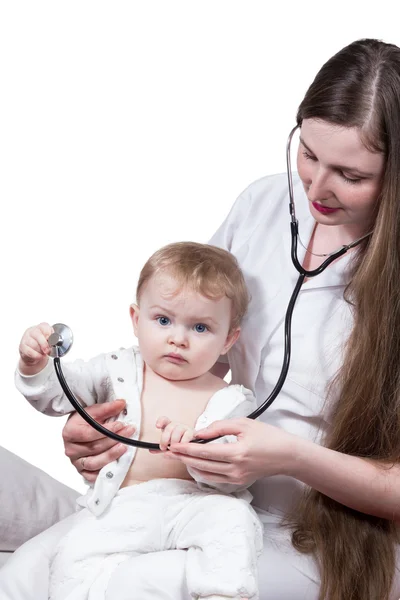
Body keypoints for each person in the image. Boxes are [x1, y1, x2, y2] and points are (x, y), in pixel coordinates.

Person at [2, 36, 400, 600]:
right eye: (308, 153)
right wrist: (100, 430)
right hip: (187, 496)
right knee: (26, 575)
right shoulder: (263, 204)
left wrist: (289, 457)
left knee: (116, 584)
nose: (315, 187)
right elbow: (183, 337)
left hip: (326, 538)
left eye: (351, 176)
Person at [11, 242, 263, 600]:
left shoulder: (232, 399)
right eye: (163, 320)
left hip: (190, 506)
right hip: (121, 508)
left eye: (201, 328)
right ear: (135, 319)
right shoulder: (116, 370)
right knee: (74, 557)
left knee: (234, 521)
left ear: (229, 340)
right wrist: (34, 366)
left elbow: (233, 473)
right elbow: (59, 395)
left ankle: (224, 594)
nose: (178, 338)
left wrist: (198, 452)